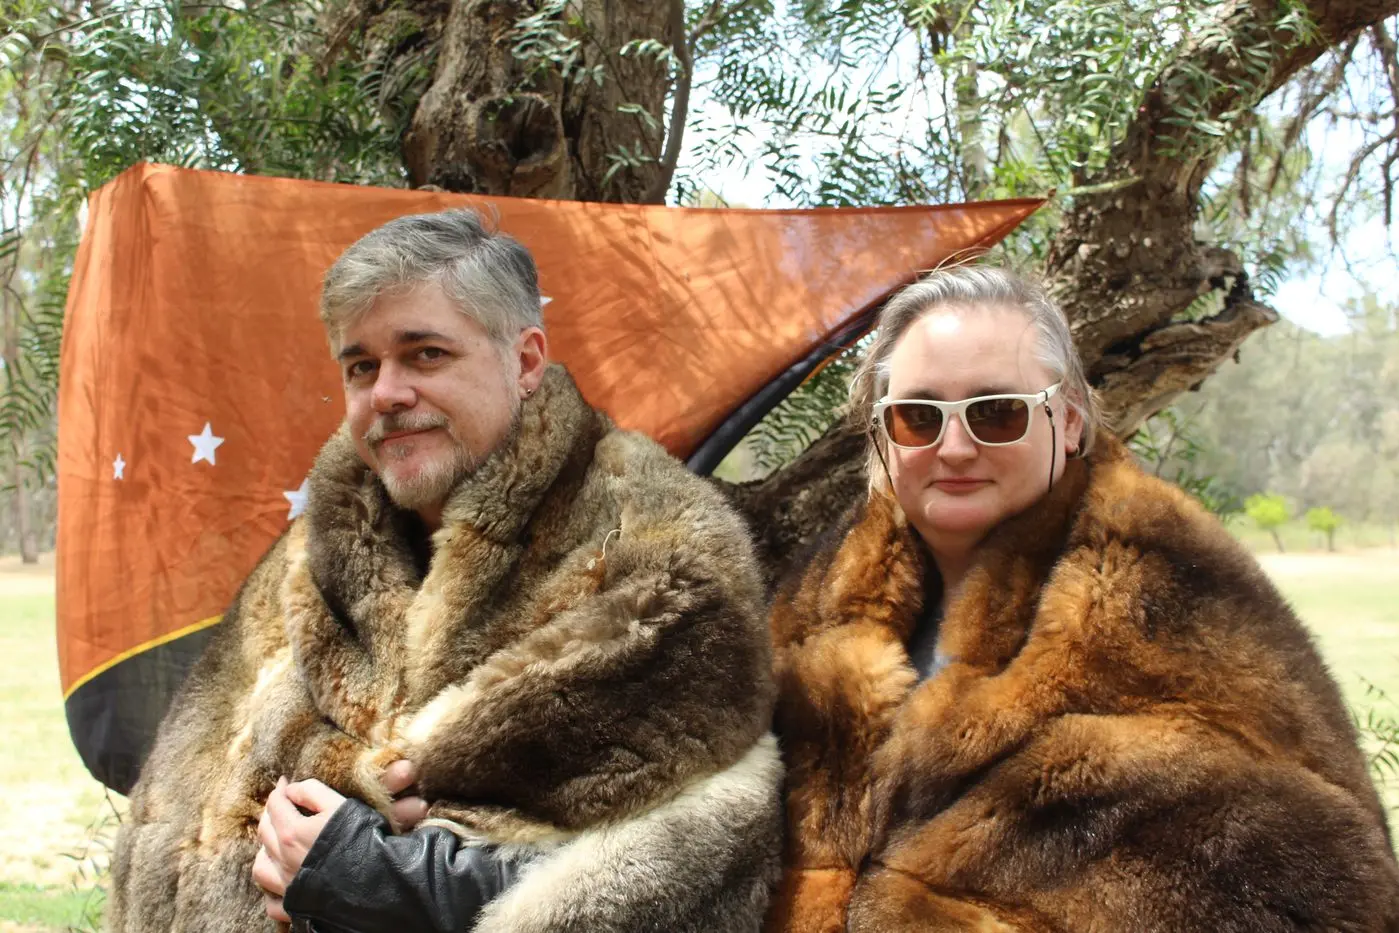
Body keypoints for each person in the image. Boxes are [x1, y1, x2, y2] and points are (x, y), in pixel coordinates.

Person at [107, 208, 783, 933]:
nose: (387, 393)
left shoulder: (664, 554)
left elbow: (704, 853)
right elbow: (184, 812)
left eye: (424, 354)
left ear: (523, 362)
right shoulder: (310, 558)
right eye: (361, 365)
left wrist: (383, 877)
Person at [765, 265, 1399, 931]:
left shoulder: (1173, 592)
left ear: (1066, 420)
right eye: (918, 418)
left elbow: (1321, 880)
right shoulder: (818, 607)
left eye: (997, 411)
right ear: (882, 436)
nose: (954, 447)